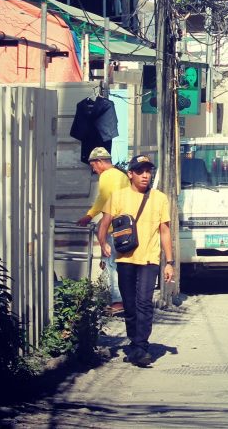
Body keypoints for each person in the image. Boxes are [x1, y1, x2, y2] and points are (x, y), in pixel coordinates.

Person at [97, 154, 174, 368]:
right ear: (130, 174)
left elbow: (165, 231)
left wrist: (169, 262)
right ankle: (134, 343)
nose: (145, 176)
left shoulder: (159, 198)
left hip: (149, 258)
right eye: (140, 171)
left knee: (144, 302)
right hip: (125, 258)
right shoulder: (118, 196)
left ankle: (141, 346)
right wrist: (103, 243)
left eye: (148, 171)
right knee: (130, 305)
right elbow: (104, 224)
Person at [76, 147, 129, 315]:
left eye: (93, 166)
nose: (94, 170)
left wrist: (93, 219)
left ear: (99, 162)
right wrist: (90, 214)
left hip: (114, 227)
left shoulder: (107, 175)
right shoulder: (121, 175)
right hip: (128, 227)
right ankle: (126, 300)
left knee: (112, 264)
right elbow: (104, 198)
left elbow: (105, 199)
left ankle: (118, 301)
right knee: (121, 265)